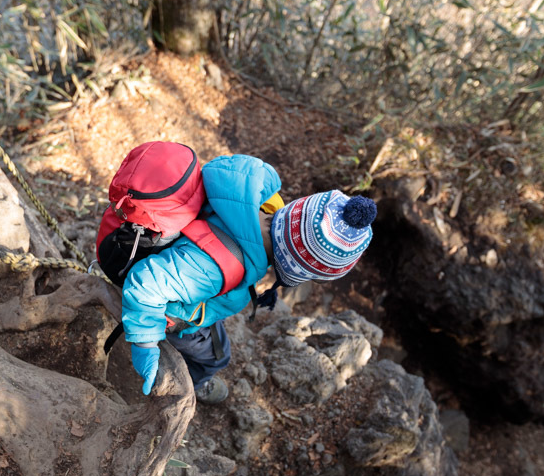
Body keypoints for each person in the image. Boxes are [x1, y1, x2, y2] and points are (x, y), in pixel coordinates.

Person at [121, 153, 376, 403]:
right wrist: (145, 344)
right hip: (175, 312)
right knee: (217, 357)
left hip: (186, 272)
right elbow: (145, 285)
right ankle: (189, 385)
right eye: (313, 276)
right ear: (294, 266)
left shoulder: (257, 196)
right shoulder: (216, 268)